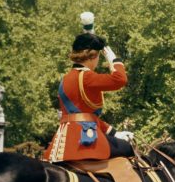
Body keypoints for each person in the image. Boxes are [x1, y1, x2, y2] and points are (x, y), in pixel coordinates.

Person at [45, 32, 130, 162]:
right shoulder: (87, 77)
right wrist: (114, 60)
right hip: (85, 139)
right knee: (128, 148)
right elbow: (120, 79)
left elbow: (86, 116)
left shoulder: (66, 78)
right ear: (93, 56)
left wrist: (115, 133)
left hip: (64, 141)